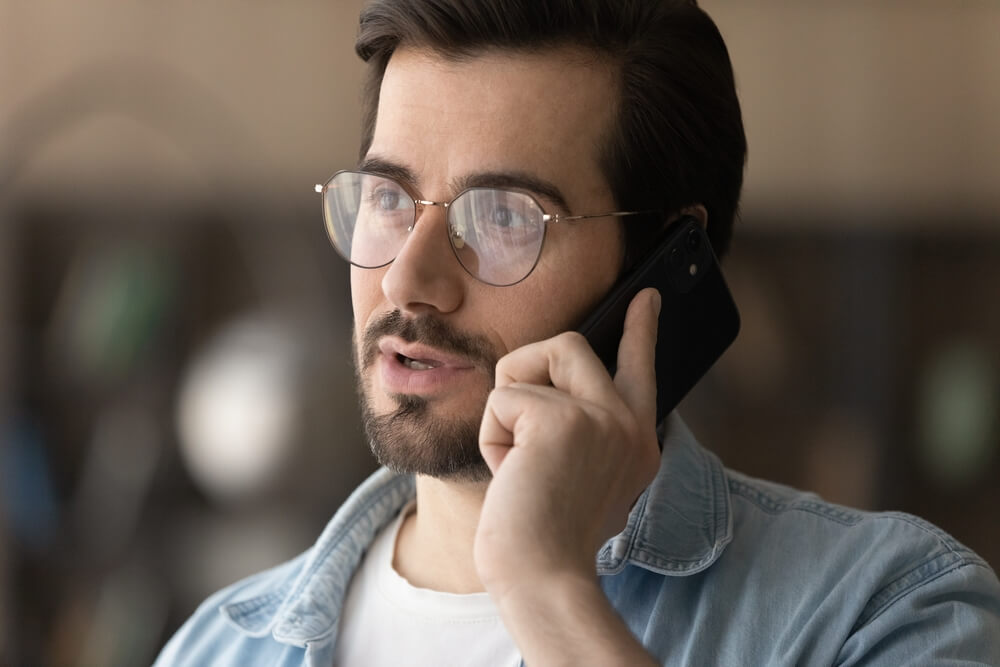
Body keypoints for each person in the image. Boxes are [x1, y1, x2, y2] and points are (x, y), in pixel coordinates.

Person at [155, 1, 1000, 664]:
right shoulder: (215, 650)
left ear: (663, 266)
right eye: (386, 198)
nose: (408, 280)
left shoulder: (887, 613)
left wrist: (549, 594)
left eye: (504, 217)